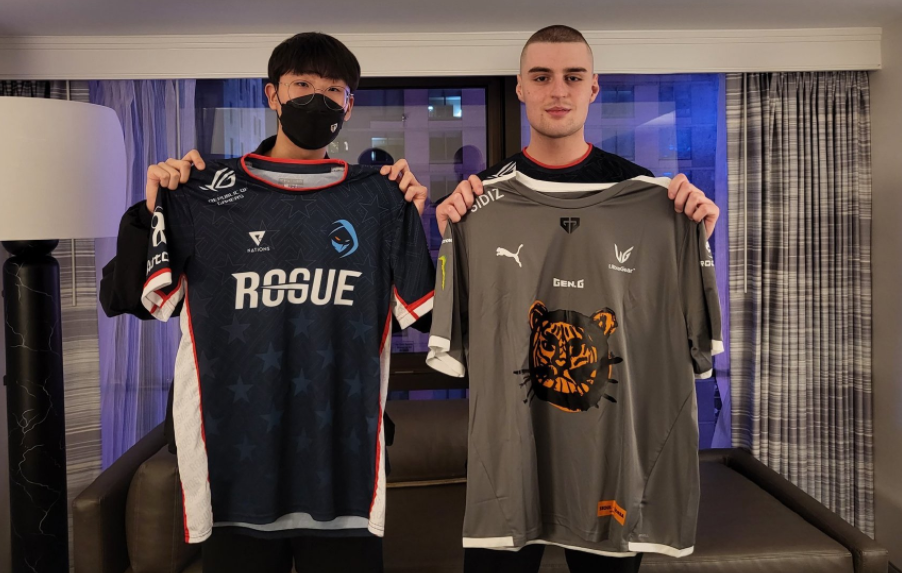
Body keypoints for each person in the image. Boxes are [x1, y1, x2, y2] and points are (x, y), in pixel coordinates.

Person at [100, 32, 434, 573]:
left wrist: (420, 224)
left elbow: (427, 315)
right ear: (271, 95)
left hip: (343, 476)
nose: (317, 99)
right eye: (302, 84)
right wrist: (150, 211)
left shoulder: (379, 201)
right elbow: (124, 298)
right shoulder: (206, 193)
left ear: (349, 105)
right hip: (235, 475)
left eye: (334, 90)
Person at [431, 25, 721, 573]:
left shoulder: (650, 195)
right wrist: (446, 235)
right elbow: (445, 320)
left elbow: (685, 325)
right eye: (542, 77)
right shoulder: (479, 199)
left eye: (572, 76)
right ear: (521, 87)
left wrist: (698, 236)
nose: (557, 91)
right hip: (513, 470)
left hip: (614, 469)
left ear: (593, 88)